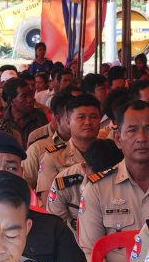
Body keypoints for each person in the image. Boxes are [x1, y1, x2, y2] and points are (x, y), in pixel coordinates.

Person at [73, 99, 149, 253]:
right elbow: (91, 252)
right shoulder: (97, 190)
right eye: (132, 130)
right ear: (117, 139)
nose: (141, 138)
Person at [24, 89, 102, 221]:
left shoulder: (111, 152)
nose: (88, 122)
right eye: (81, 117)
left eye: (94, 117)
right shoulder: (53, 157)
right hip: (67, 225)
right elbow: (49, 204)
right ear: (68, 122)